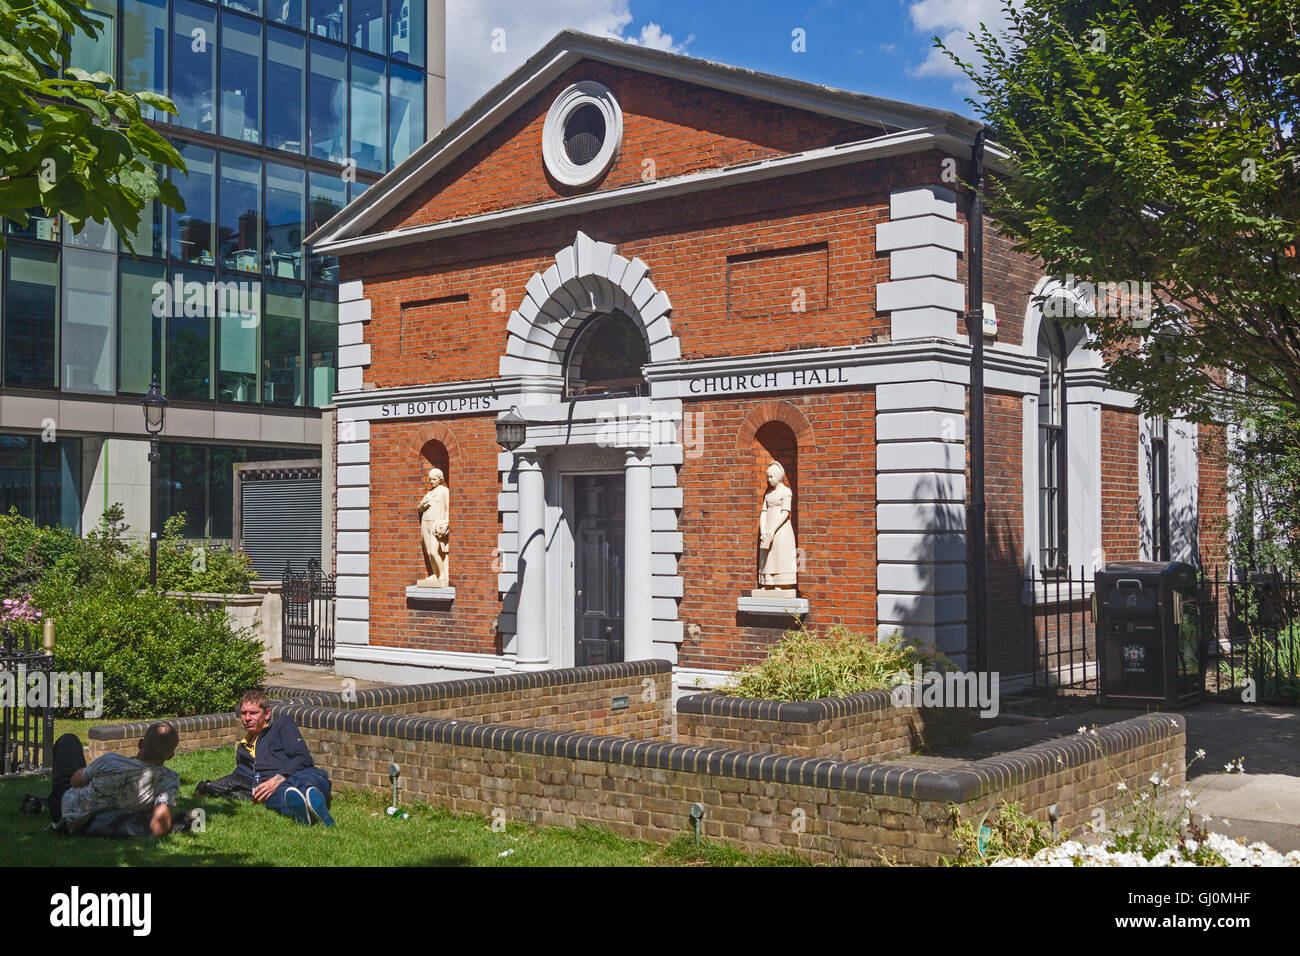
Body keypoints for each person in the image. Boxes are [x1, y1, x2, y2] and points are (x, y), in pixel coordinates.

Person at [196, 690, 334, 827]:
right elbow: (238, 778)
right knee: (278, 796)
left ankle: (315, 803)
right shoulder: (243, 749)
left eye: (253, 713)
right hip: (275, 789)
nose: (247, 718)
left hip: (300, 774)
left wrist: (277, 779)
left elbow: (303, 757)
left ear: (267, 714)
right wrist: (208, 787)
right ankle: (303, 812)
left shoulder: (281, 725)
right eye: (244, 713)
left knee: (309, 784)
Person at [47, 724, 181, 837]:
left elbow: (74, 782)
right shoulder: (168, 780)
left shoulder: (110, 761)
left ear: (140, 743)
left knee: (68, 740)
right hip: (102, 821)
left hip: (65, 810)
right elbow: (159, 828)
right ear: (170, 756)